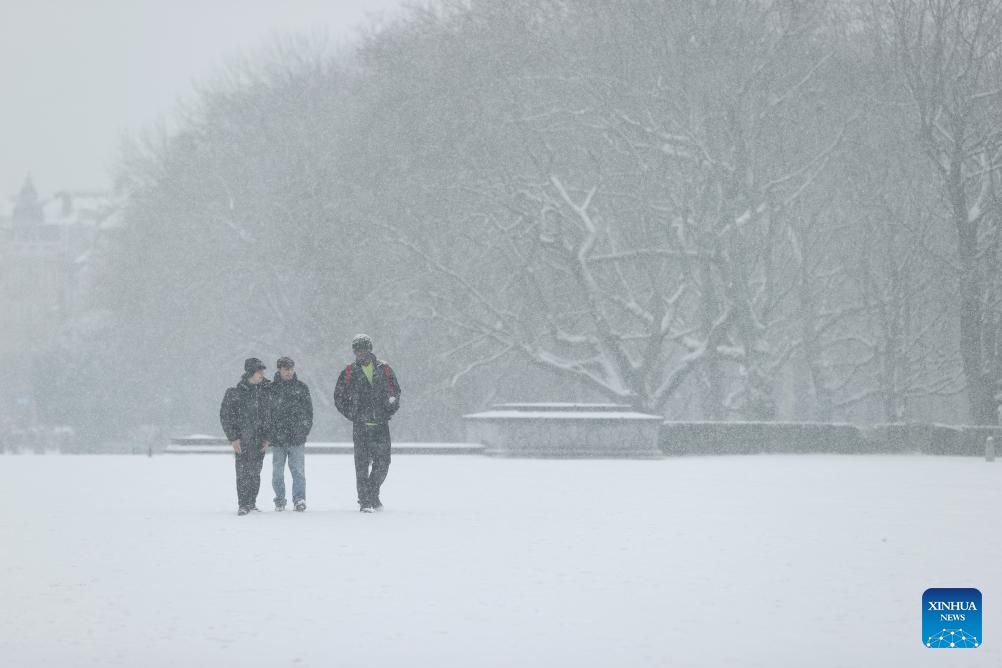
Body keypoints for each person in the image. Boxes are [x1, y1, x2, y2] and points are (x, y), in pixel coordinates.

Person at [333, 334, 401, 512]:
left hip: (381, 424)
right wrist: (353, 414)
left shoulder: (384, 369)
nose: (360, 353)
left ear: (370, 349)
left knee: (383, 464)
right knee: (362, 465)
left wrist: (389, 409)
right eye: (358, 350)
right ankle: (365, 501)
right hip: (360, 426)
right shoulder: (348, 372)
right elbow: (338, 398)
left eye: (364, 349)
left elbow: (396, 392)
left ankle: (372, 493)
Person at [219, 358, 272, 515]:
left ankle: (252, 503)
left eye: (263, 371)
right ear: (251, 373)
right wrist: (233, 437)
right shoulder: (235, 393)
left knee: (256, 473)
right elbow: (226, 416)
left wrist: (268, 438)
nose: (262, 374)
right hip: (242, 439)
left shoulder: (266, 391)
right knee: (242, 473)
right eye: (259, 371)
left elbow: (271, 416)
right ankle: (243, 504)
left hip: (260, 440)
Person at [269, 356, 313, 511]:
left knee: (298, 472)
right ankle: (280, 500)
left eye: (291, 369)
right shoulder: (271, 388)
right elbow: (267, 414)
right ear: (279, 370)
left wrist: (303, 431)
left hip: (297, 438)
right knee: (277, 473)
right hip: (277, 440)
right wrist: (271, 434)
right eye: (286, 369)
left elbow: (308, 413)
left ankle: (299, 499)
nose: (289, 372)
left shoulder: (301, 388)